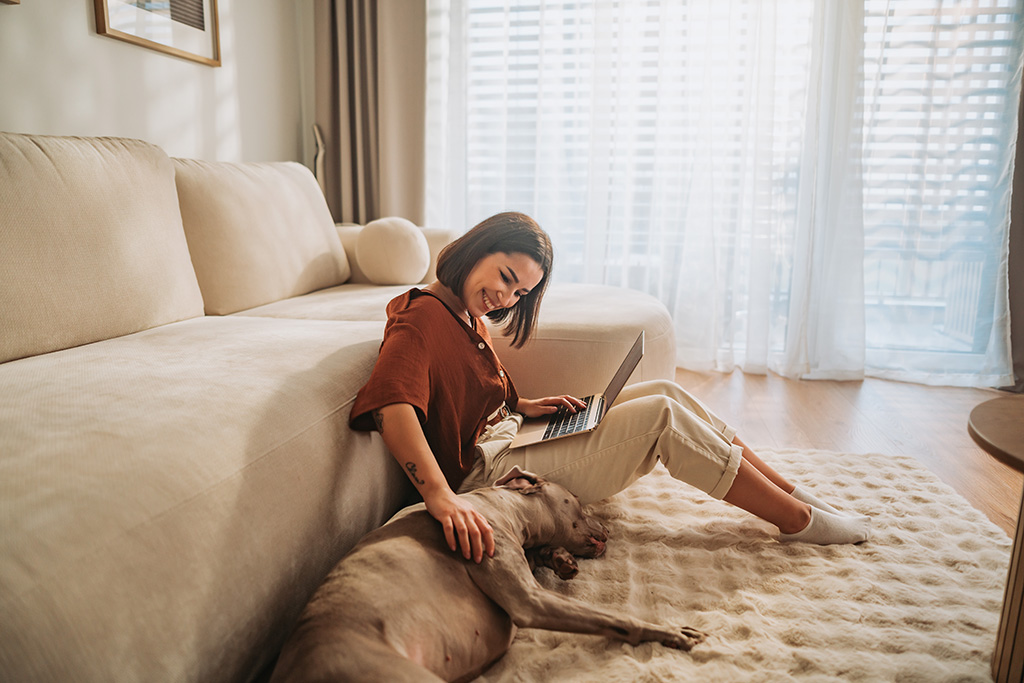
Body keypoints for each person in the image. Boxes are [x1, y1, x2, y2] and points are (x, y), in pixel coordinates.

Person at [350, 212, 870, 564]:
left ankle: (793, 493)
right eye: (505, 277)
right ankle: (797, 520)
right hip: (488, 478)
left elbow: (467, 388)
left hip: (511, 439)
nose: (505, 296)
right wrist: (441, 499)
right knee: (662, 421)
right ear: (476, 248)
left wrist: (523, 405)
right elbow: (394, 407)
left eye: (520, 291)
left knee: (665, 391)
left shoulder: (465, 314)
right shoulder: (421, 317)